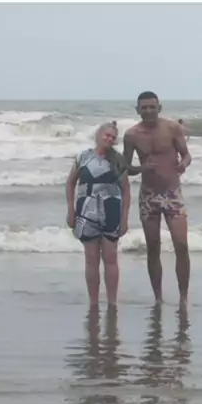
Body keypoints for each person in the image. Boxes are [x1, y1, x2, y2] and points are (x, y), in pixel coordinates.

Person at [123, 91, 192, 306]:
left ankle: (183, 297)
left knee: (181, 245)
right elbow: (126, 168)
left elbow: (186, 154)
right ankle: (158, 298)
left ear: (159, 108)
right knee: (153, 248)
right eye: (144, 107)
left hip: (172, 194)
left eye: (152, 107)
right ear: (137, 110)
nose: (148, 111)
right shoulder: (131, 135)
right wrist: (141, 168)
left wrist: (183, 164)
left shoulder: (172, 128)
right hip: (149, 196)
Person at [66, 122, 130, 307]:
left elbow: (126, 191)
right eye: (107, 135)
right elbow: (70, 183)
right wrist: (71, 210)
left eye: (113, 137)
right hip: (86, 211)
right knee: (91, 259)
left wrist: (124, 219)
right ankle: (93, 302)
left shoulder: (118, 160)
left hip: (112, 211)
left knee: (111, 258)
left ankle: (112, 302)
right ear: (98, 135)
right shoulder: (83, 157)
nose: (109, 139)